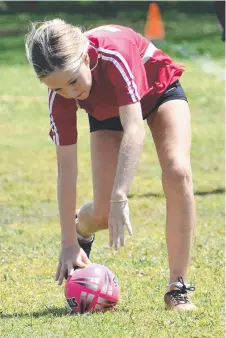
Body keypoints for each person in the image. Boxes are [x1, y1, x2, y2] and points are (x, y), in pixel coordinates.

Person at [25, 19, 198, 311]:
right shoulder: (61, 94)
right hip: (106, 111)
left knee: (177, 171)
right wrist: (68, 240)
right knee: (104, 214)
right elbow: (66, 170)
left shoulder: (113, 54)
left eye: (72, 81)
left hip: (157, 90)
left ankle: (177, 288)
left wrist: (121, 195)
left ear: (85, 56)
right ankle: (83, 228)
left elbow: (134, 129)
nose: (69, 93)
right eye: (58, 88)